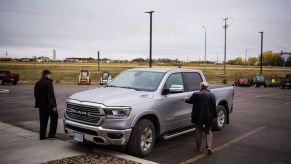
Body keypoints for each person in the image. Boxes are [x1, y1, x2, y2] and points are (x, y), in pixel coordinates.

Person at [185, 82, 217, 154]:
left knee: (198, 131)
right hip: (209, 117)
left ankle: (198, 148)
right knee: (208, 131)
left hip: (198, 117)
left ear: (201, 86)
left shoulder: (196, 94)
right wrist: (214, 116)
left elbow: (189, 101)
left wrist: (185, 99)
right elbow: (214, 107)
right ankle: (208, 146)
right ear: (207, 87)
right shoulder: (212, 95)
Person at [34, 70, 58, 140]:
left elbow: (36, 95)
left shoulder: (37, 83)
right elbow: (51, 95)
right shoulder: (48, 83)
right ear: (47, 75)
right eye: (50, 75)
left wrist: (39, 103)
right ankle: (51, 134)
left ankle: (42, 136)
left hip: (41, 106)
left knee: (43, 121)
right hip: (49, 106)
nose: (50, 76)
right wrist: (54, 106)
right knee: (54, 118)